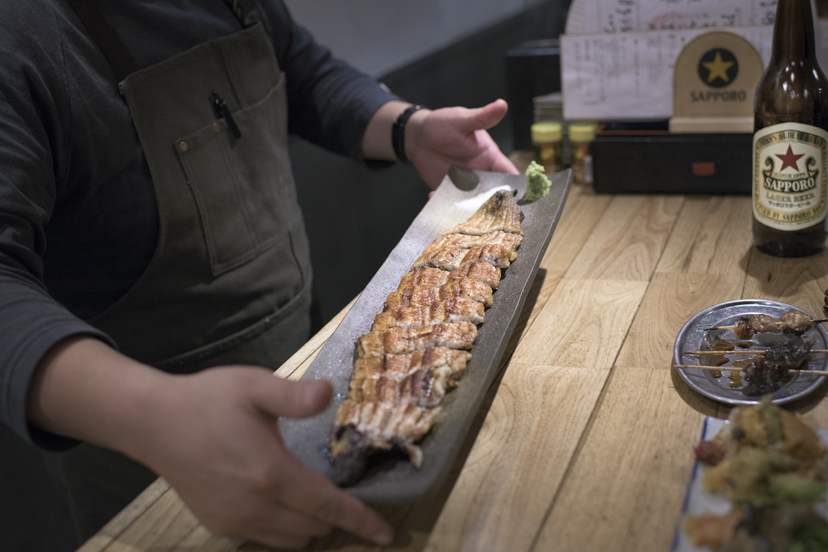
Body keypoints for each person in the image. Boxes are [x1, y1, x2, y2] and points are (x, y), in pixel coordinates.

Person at [0, 0, 519, 549]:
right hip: (159, 457)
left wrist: (407, 129)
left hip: (310, 370)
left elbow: (300, 72)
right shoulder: (24, 33)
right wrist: (153, 415)